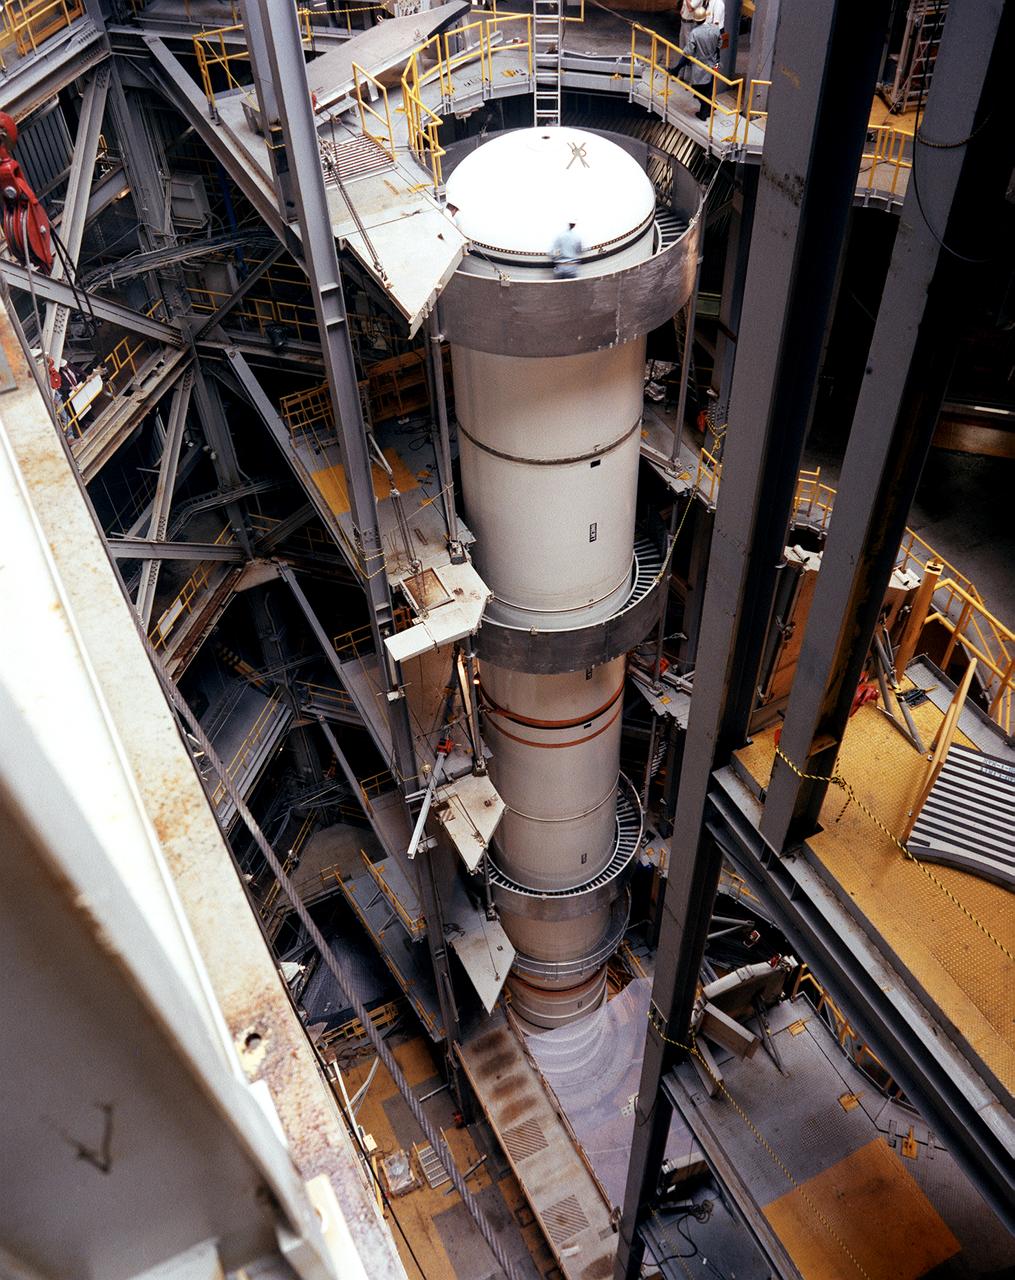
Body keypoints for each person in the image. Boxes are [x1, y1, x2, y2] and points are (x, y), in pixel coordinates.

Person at [668, 6, 721, 121]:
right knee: (708, 88)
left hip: (700, 65)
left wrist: (682, 63)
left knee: (698, 89)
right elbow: (719, 45)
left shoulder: (695, 33)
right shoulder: (715, 29)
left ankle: (705, 111)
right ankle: (707, 108)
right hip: (712, 64)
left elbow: (688, 51)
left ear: (696, 20)